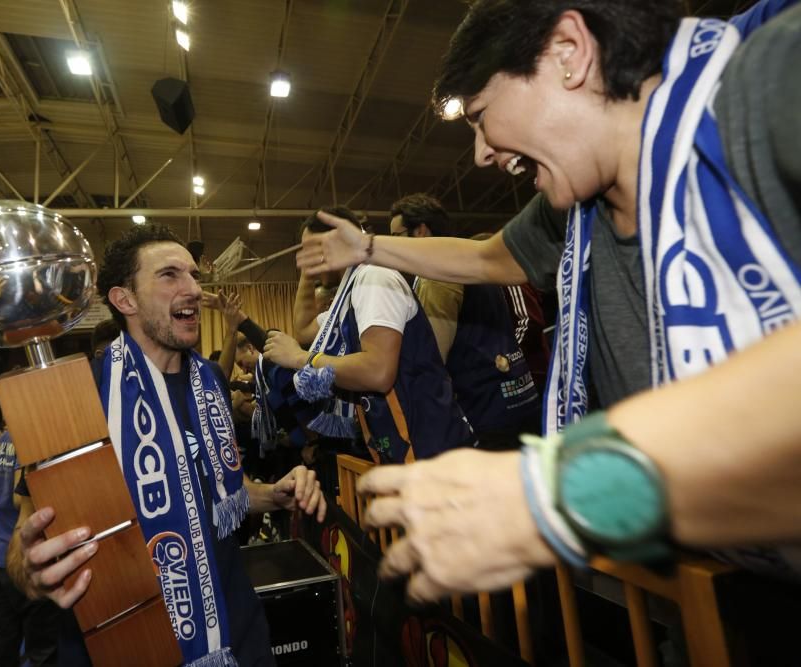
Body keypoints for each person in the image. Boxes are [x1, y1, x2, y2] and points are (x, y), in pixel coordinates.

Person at [296, 0, 801, 599]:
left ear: (569, 52)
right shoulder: (578, 207)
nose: (482, 152)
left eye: (482, 116)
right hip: (716, 570)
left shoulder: (768, 76)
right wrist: (371, 248)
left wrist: (556, 493)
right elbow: (487, 258)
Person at [8, 224, 327, 666]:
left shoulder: (211, 382)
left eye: (194, 275)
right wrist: (32, 571)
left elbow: (215, 493)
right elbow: (23, 542)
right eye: (170, 275)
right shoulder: (77, 397)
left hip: (234, 628)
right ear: (125, 300)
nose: (194, 289)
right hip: (125, 639)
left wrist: (273, 494)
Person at [264, 206, 475, 464]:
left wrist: (301, 358)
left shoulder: (373, 278)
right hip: (406, 443)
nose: (307, 258)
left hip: (428, 446)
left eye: (312, 249)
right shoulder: (348, 292)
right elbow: (305, 327)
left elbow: (378, 371)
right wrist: (309, 272)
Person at [389, 193, 541, 449]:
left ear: (420, 231)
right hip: (519, 398)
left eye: (395, 237)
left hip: (485, 411)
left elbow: (434, 358)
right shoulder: (470, 259)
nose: (392, 246)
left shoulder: (436, 274)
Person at [0, 428, 60, 666]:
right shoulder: (31, 436)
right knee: (42, 651)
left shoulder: (2, 440)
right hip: (23, 558)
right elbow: (21, 499)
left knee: (2, 645)